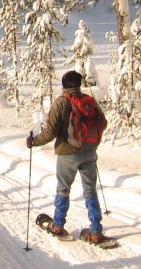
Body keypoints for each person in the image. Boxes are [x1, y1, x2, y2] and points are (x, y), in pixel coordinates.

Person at [26, 70, 107, 243]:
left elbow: (50, 132)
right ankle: (95, 230)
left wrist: (34, 141)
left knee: (63, 189)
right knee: (90, 190)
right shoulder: (90, 101)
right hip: (90, 151)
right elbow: (103, 123)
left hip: (67, 153)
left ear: (64, 85)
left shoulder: (61, 102)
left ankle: (58, 224)